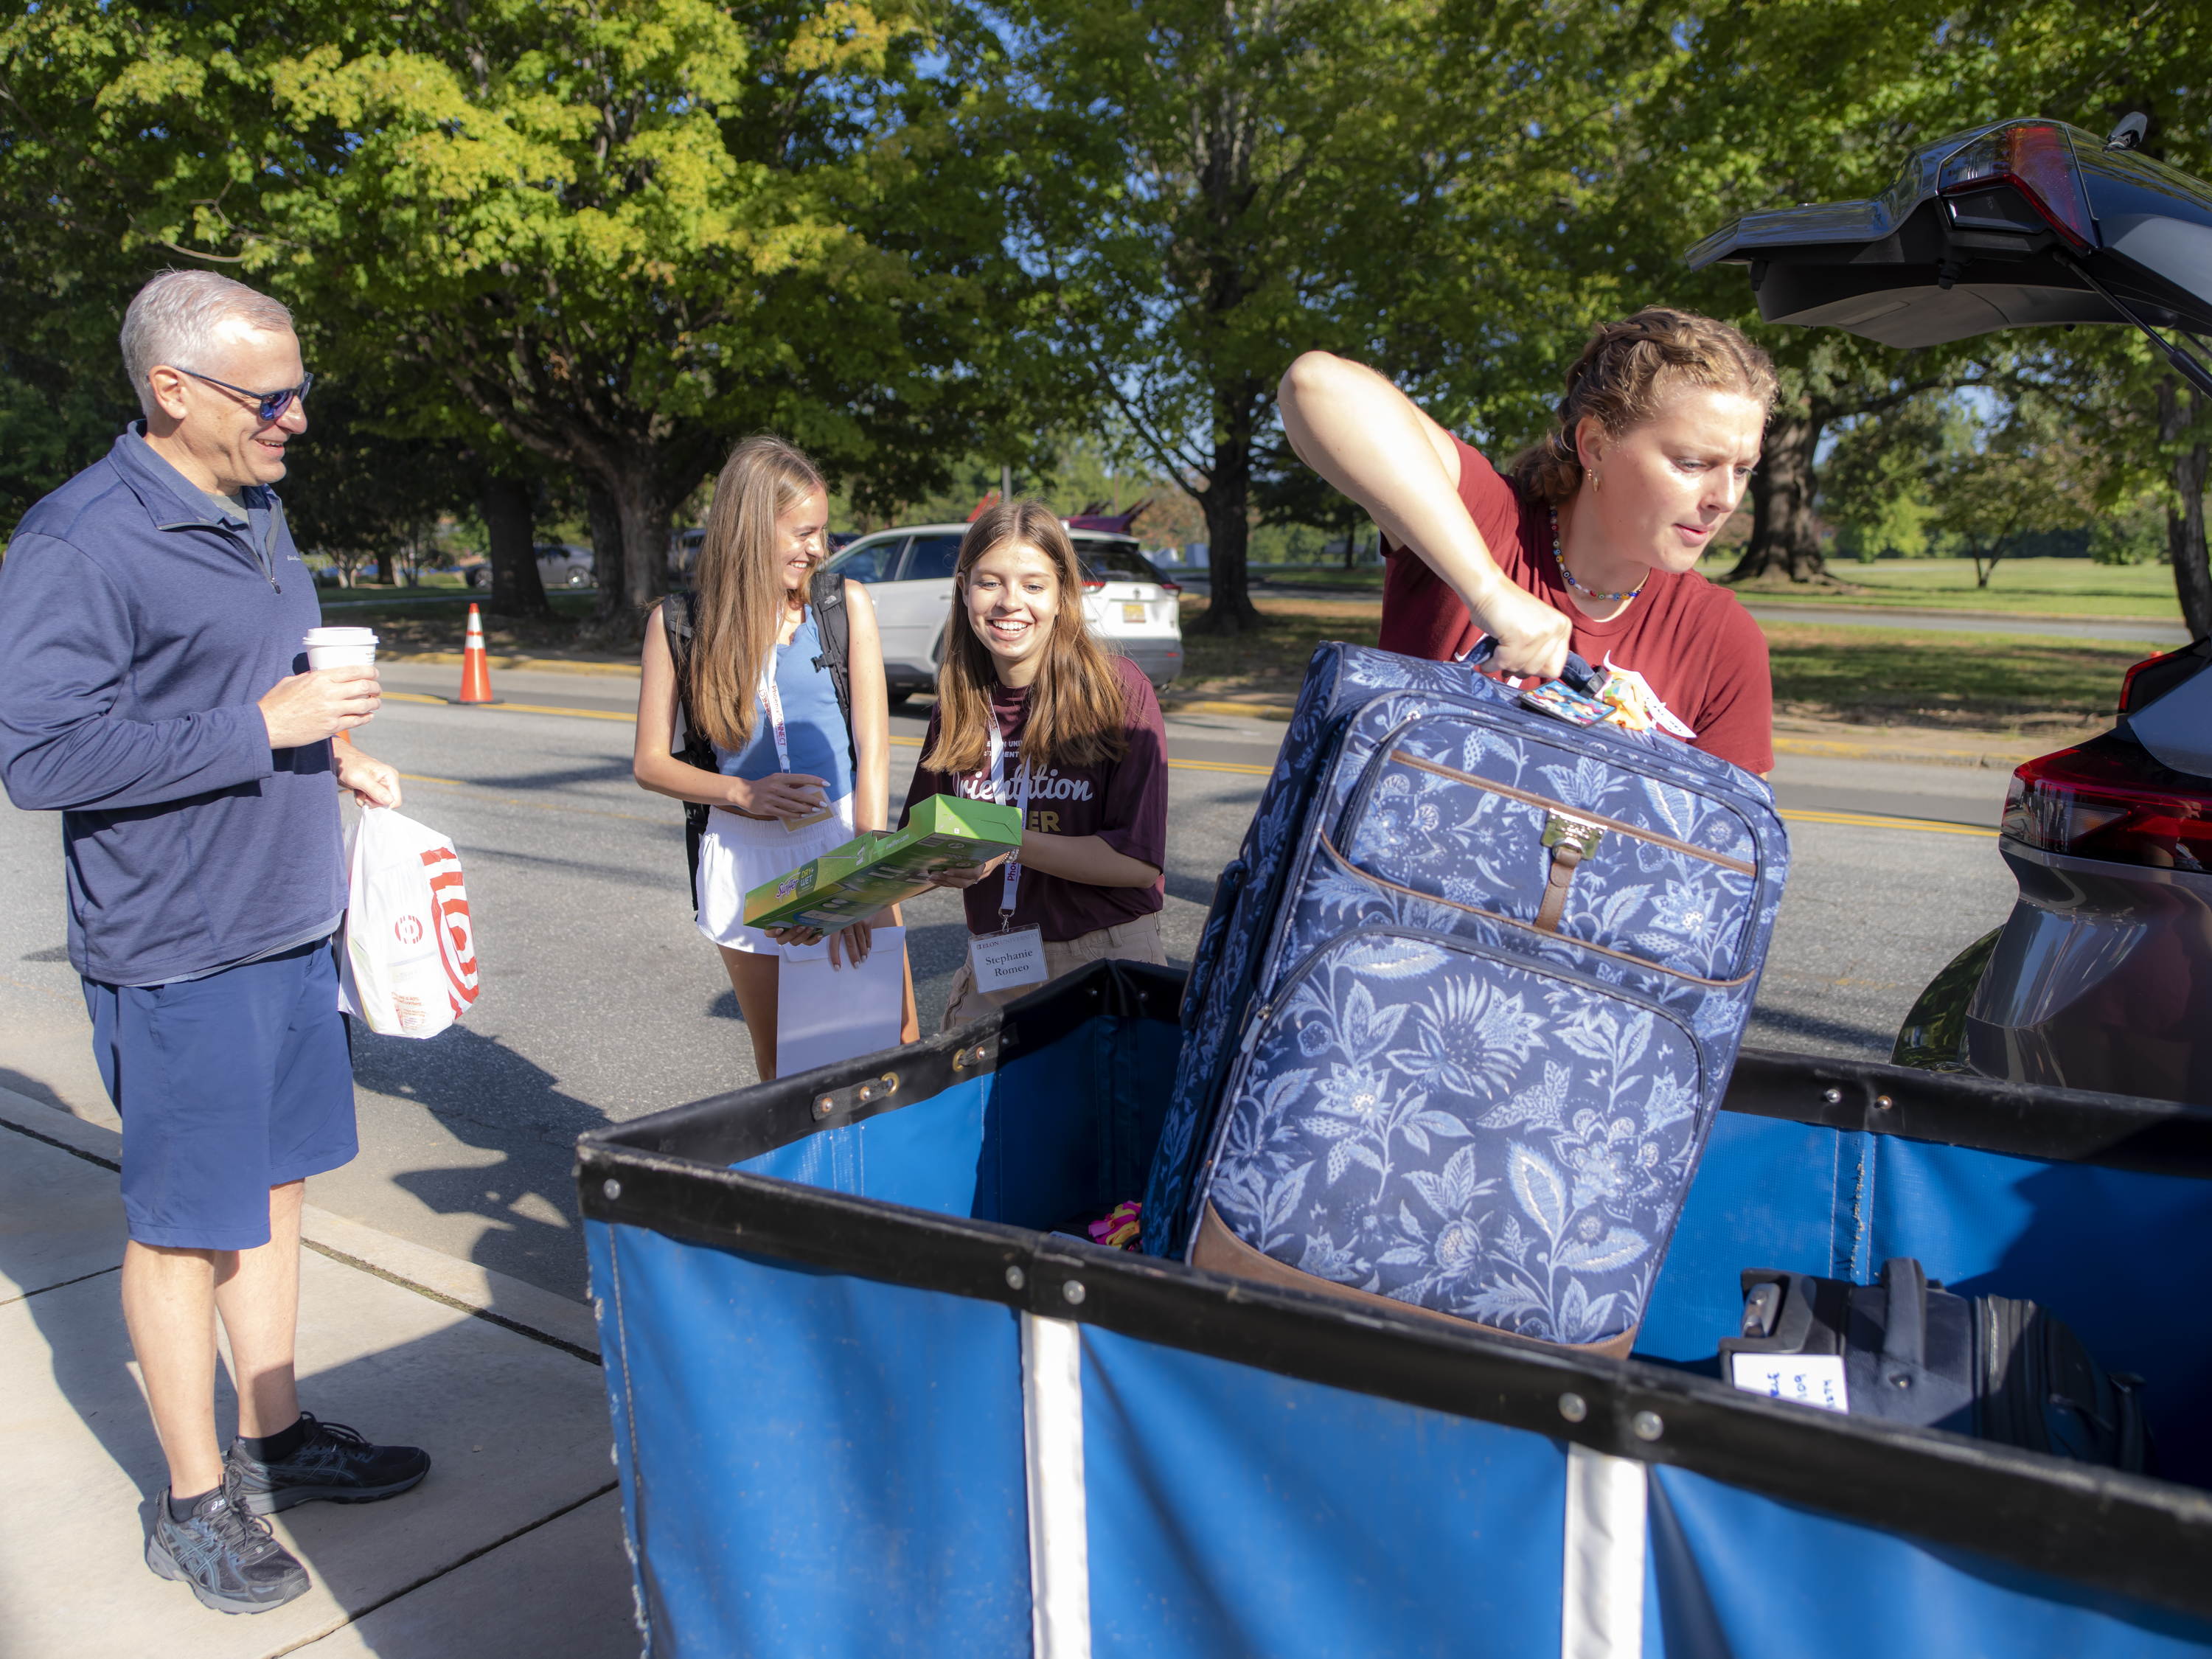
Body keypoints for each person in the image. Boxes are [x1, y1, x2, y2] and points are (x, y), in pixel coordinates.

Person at [0, 270, 428, 1615]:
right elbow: (42, 756)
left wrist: (334, 750)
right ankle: (192, 1503)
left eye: (300, 389)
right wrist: (264, 730)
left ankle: (277, 1438)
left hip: (292, 921)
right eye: (271, 395)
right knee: (187, 1228)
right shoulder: (78, 540)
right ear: (172, 390)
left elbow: (253, 683)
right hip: (179, 944)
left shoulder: (256, 508)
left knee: (279, 1190)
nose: (296, 418)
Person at [1278, 307, 1781, 774]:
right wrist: (1489, 591)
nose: (1725, 498)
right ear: (1595, 445)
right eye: (1692, 463)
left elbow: (1727, 833)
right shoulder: (1486, 523)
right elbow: (1317, 385)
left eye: (1743, 470)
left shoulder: (1721, 639)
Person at [633, 435, 908, 1079]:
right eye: (803, 533)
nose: (819, 549)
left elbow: (874, 749)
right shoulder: (678, 623)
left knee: (893, 1050)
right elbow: (649, 763)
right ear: (752, 527)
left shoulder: (843, 605)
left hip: (846, 843)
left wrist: (859, 879)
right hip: (746, 861)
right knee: (788, 1066)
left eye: (822, 532)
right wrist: (742, 794)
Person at [905, 499, 1172, 1026]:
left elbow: (1137, 863)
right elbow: (921, 847)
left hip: (1102, 961)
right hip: (994, 966)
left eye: (1033, 585)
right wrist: (830, 910)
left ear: (1062, 594)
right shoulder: (958, 705)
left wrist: (1003, 842)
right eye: (990, 583)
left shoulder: (1118, 692)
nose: (1010, 602)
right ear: (964, 589)